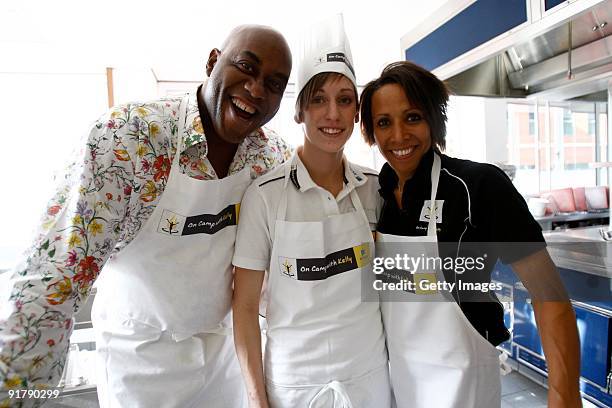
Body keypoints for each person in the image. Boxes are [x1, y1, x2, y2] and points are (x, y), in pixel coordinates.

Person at [0, 25, 292, 408]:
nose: (256, 89)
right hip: (138, 363)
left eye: (273, 84)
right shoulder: (129, 138)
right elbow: (55, 279)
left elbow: (281, 273)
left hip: (223, 364)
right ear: (212, 62)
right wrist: (15, 394)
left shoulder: (271, 160)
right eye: (245, 67)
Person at [360, 61, 581, 408]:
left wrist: (563, 397)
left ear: (434, 119)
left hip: (464, 383)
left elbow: (549, 294)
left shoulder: (479, 186)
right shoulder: (375, 195)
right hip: (400, 380)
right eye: (384, 123)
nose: (398, 135)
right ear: (371, 132)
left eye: (413, 117)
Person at [232, 16, 391, 408]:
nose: (332, 114)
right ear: (299, 112)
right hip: (294, 387)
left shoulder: (376, 188)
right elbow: (245, 307)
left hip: (370, 378)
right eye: (318, 99)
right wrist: (257, 399)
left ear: (357, 112)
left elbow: (397, 284)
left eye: (344, 99)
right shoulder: (265, 196)